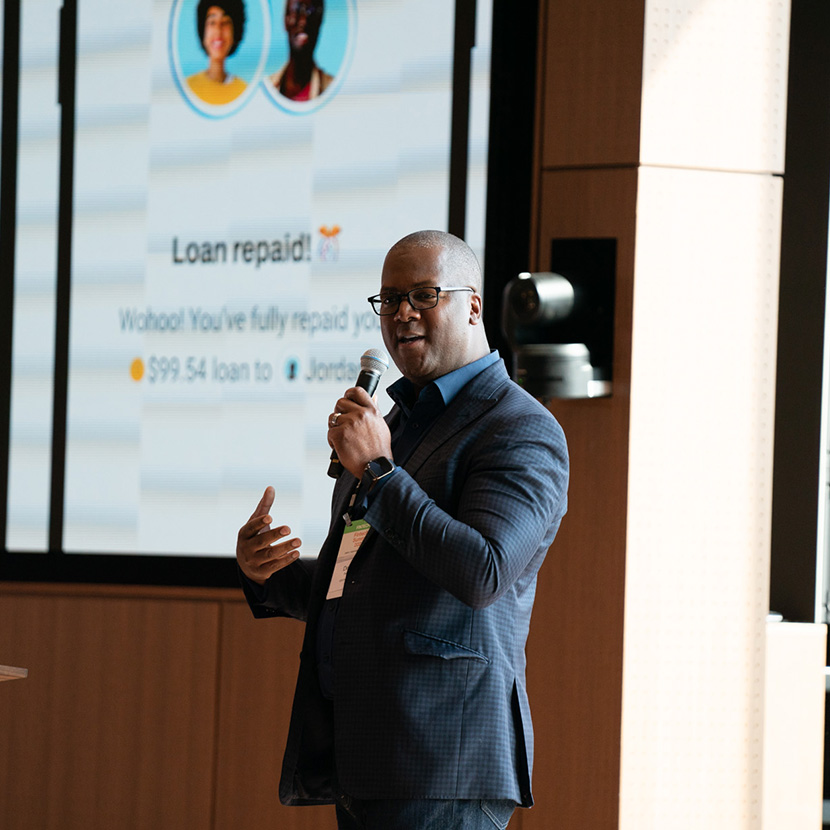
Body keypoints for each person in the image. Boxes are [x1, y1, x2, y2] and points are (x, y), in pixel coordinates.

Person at [236, 230, 569, 829]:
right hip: (367, 755)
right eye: (389, 299)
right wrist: (270, 575)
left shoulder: (520, 428)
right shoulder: (396, 422)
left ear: (471, 304)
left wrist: (380, 474)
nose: (402, 314)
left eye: (423, 294)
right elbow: (361, 577)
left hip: (445, 759)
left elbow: (483, 570)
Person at [270, 0, 334, 101]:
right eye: (298, 10)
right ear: (286, 20)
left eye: (312, 12)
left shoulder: (333, 91)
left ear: (320, 22)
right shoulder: (265, 90)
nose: (304, 21)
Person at [187, 0, 247, 106]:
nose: (218, 31)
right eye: (212, 23)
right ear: (203, 32)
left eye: (225, 23)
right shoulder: (188, 88)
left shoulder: (244, 91)